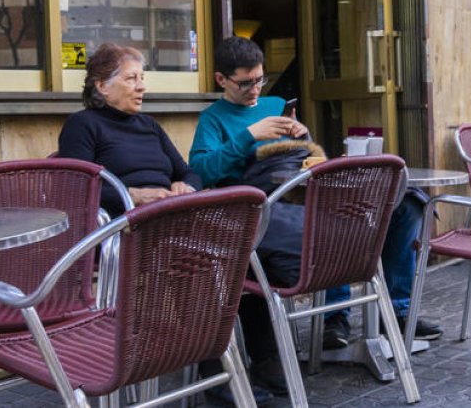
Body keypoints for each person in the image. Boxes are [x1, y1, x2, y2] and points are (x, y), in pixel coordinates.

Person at [189, 38, 441, 395]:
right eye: (246, 82)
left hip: (305, 186)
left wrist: (304, 138)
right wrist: (249, 136)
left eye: (260, 79)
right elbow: (201, 170)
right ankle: (335, 312)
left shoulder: (276, 104)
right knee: (322, 226)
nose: (255, 89)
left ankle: (395, 311)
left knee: (405, 203)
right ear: (221, 80)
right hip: (268, 203)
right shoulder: (213, 119)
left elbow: (303, 153)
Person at [58, 43, 200, 218]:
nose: (141, 87)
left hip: (170, 216)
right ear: (103, 86)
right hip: (122, 226)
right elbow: (75, 190)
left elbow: (188, 173)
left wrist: (186, 186)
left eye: (142, 77)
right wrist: (134, 196)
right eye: (131, 78)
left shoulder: (149, 125)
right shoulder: (82, 124)